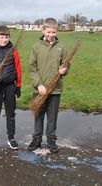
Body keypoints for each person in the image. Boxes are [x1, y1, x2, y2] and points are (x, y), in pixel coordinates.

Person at [28, 18, 68, 153]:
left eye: (54, 32)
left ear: (57, 31)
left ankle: (51, 140)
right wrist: (38, 84)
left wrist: (64, 69)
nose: (51, 34)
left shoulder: (61, 47)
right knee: (38, 116)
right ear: (43, 30)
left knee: (52, 117)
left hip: (55, 89)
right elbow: (32, 67)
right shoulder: (36, 46)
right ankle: (37, 140)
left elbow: (66, 64)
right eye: (49, 32)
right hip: (39, 89)